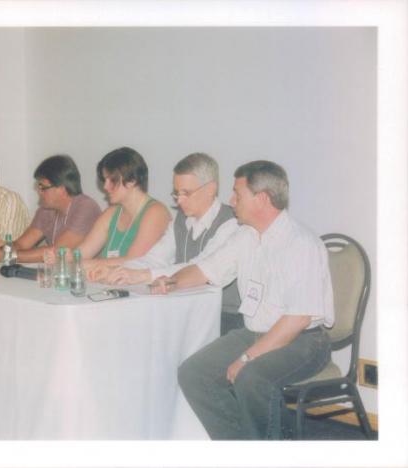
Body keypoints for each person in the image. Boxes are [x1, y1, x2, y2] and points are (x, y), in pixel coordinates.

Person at [154, 160, 334, 440]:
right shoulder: (246, 236)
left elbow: (297, 319)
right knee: (193, 373)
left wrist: (247, 357)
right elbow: (206, 269)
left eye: (237, 194)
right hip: (255, 332)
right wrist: (172, 282)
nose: (231, 200)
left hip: (304, 341)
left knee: (251, 377)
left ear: (261, 199)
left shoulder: (300, 244)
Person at [96, 152, 243, 335]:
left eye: (186, 193)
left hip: (224, 317)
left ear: (210, 189)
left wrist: (141, 275)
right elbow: (155, 258)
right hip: (184, 308)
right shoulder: (180, 220)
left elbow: (199, 268)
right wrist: (120, 271)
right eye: (176, 193)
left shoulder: (232, 223)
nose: (179, 201)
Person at [67, 147, 170, 269]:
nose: (105, 186)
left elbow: (134, 262)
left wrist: (87, 264)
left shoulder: (156, 213)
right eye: (104, 180)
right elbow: (81, 254)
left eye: (112, 180)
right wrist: (63, 256)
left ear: (132, 180)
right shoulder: (110, 213)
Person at [0, 155, 102, 263]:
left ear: (62, 189)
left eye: (42, 187)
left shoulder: (86, 207)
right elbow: (21, 244)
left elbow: (56, 252)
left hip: (87, 274)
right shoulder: (46, 209)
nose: (38, 191)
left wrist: (4, 256)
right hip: (57, 273)